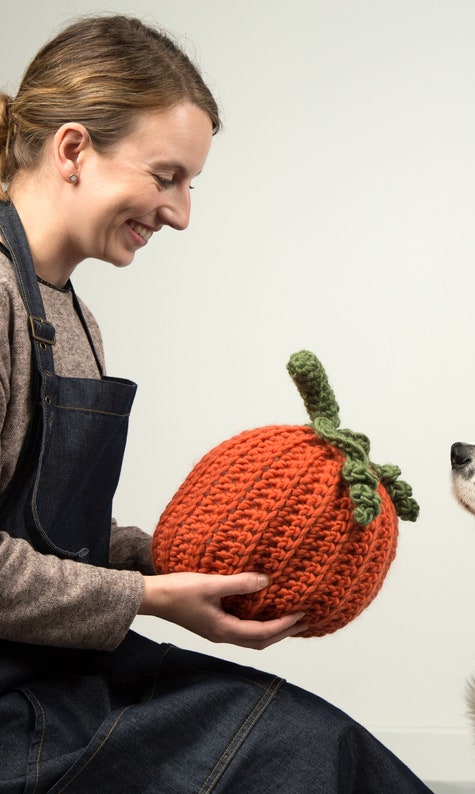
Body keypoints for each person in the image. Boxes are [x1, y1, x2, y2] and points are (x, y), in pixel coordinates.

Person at [0, 15, 430, 792]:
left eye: (189, 184)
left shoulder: (71, 314)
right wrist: (150, 595)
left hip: (58, 669)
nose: (181, 212)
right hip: (13, 706)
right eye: (166, 176)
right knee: (301, 756)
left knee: (328, 746)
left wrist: (188, 561)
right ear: (73, 150)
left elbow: (42, 533)